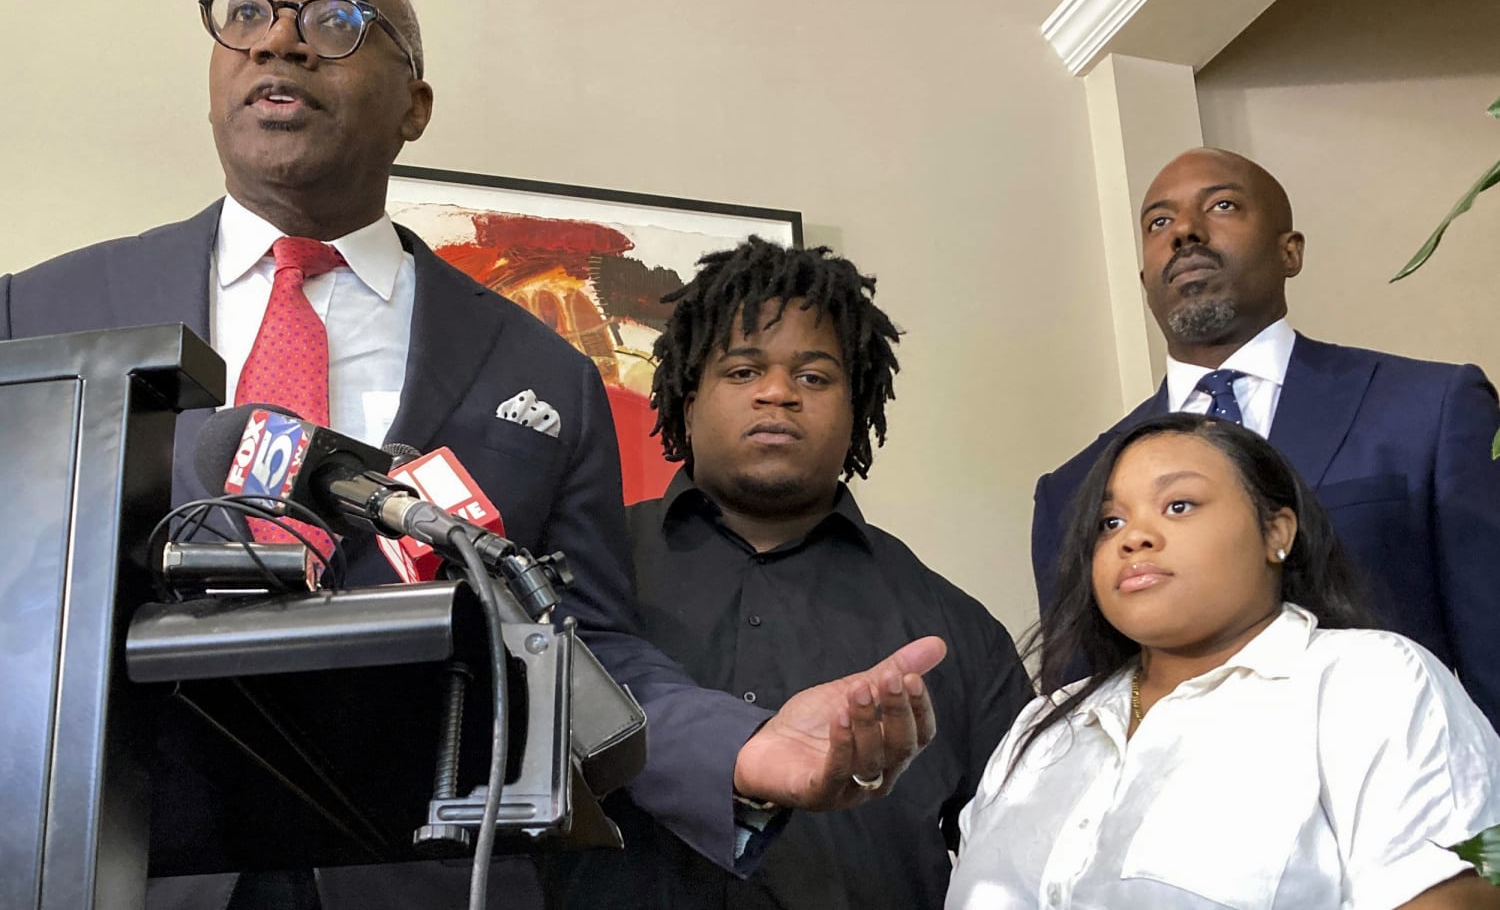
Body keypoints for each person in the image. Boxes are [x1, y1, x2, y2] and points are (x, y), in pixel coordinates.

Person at [0, 0, 945, 909]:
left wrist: (737, 745)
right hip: (111, 871)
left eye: (334, 19)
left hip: (430, 877)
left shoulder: (543, 373)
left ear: (415, 103)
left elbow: (580, 643)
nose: (278, 41)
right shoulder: (40, 315)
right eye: (247, 12)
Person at [550, 239, 1032, 909]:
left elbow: (1024, 858)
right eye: (744, 371)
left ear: (858, 408)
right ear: (688, 401)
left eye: (813, 377)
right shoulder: (577, 579)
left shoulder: (956, 631)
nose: (777, 393)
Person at [1029, 148, 1500, 725]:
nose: (1185, 233)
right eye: (1159, 223)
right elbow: (1086, 712)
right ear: (1144, 276)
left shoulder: (1432, 408)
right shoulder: (1073, 490)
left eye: (1221, 205)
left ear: (1290, 251)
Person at [952, 413, 1500, 908]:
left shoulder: (1376, 679)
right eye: (1109, 523)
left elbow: (1466, 894)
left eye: (1179, 506)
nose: (1134, 537)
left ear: (1276, 532)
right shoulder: (1043, 726)